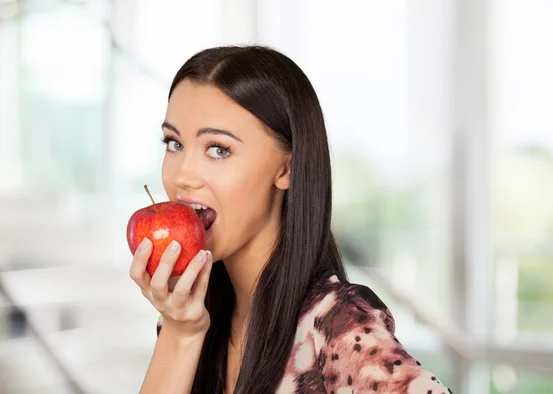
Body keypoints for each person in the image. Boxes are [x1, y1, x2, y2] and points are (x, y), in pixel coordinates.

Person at [129, 45, 451, 394]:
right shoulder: (193, 316)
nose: (183, 176)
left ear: (286, 168)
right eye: (174, 143)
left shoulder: (338, 324)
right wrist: (181, 332)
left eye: (218, 149)